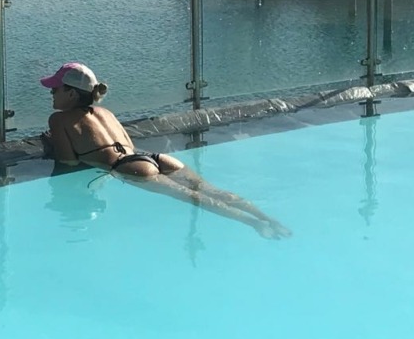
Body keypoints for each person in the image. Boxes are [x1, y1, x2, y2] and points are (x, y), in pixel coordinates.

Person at [39, 62, 291, 239]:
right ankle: (265, 217)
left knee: (194, 198)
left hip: (129, 168)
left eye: (55, 89)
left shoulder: (59, 120)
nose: (51, 93)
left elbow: (68, 162)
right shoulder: (106, 112)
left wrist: (53, 144)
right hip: (155, 158)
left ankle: (253, 224)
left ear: (71, 94)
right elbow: (128, 143)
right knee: (210, 191)